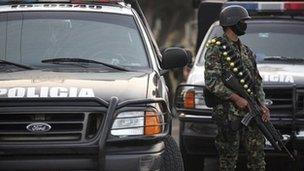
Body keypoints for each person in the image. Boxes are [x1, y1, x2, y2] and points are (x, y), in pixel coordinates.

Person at [204, 5, 270, 170]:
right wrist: (235, 98)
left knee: (258, 159)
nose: (245, 25)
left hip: (252, 111)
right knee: (228, 160)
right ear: (232, 23)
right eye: (243, 22)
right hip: (228, 113)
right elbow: (212, 82)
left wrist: (262, 104)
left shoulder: (247, 52)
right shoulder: (216, 47)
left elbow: (256, 81)